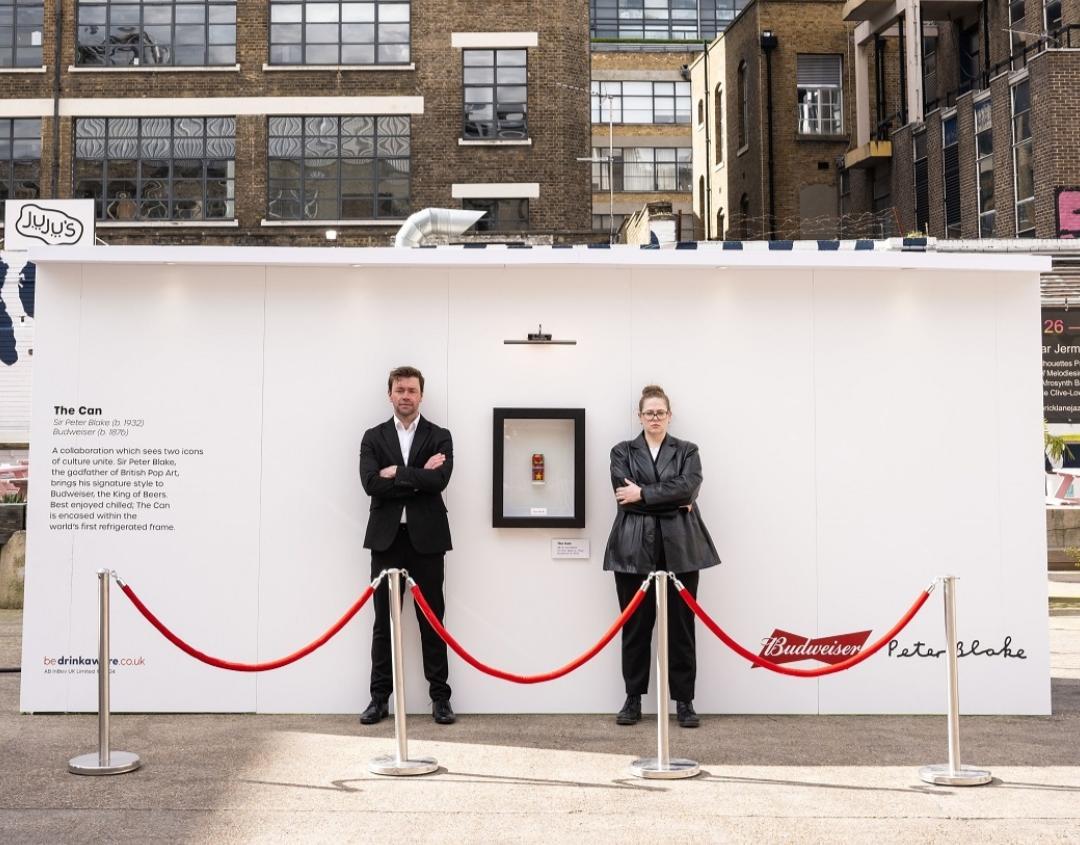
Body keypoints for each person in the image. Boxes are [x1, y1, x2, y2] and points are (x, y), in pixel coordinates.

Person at [603, 384, 720, 728]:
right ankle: (632, 699)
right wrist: (670, 501)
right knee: (635, 627)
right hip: (633, 548)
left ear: (670, 415)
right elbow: (623, 493)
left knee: (681, 627)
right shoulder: (622, 451)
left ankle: (684, 702)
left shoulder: (687, 450)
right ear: (639, 416)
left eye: (660, 412)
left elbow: (690, 487)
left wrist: (644, 493)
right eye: (649, 413)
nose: (655, 418)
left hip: (680, 548)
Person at [358, 366, 456, 725]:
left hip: (427, 541)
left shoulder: (440, 435)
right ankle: (379, 699)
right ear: (390, 394)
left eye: (411, 390)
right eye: (399, 390)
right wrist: (417, 475)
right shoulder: (373, 437)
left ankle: (441, 699)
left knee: (433, 621)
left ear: (421, 395)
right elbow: (370, 483)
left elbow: (440, 480)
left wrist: (395, 472)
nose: (405, 396)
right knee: (384, 623)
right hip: (386, 540)